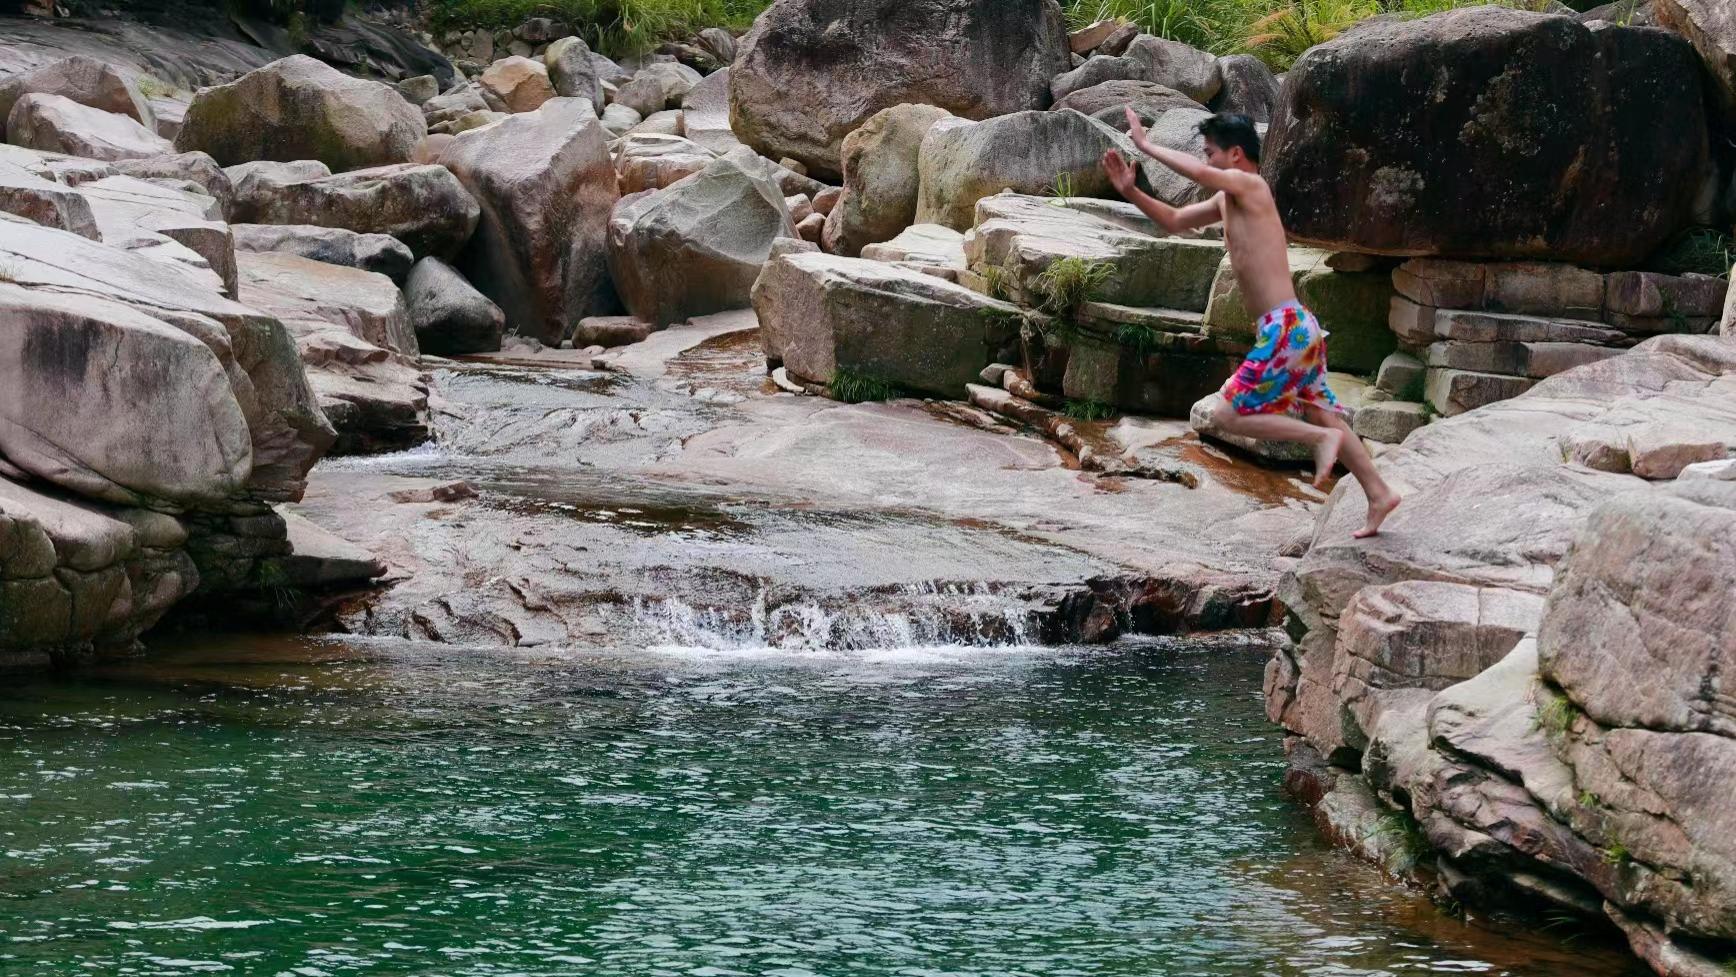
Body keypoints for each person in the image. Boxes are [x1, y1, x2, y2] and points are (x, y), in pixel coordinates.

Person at [1101, 108, 1401, 538]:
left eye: (1209, 153)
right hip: (1299, 328)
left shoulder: (1252, 185)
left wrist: (1146, 146)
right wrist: (1132, 192)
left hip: (1285, 328)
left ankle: (1320, 444)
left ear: (1236, 154)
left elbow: (1206, 178)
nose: (1204, 162)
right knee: (1323, 415)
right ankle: (1379, 494)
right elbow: (1173, 222)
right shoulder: (1228, 199)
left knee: (1226, 415)